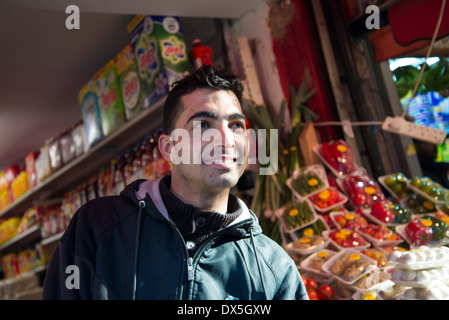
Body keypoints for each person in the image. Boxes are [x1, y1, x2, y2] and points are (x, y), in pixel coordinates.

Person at [42, 65, 308, 300]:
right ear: (169, 148)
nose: (226, 139)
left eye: (236, 125)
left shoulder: (273, 266)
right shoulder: (99, 227)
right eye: (203, 124)